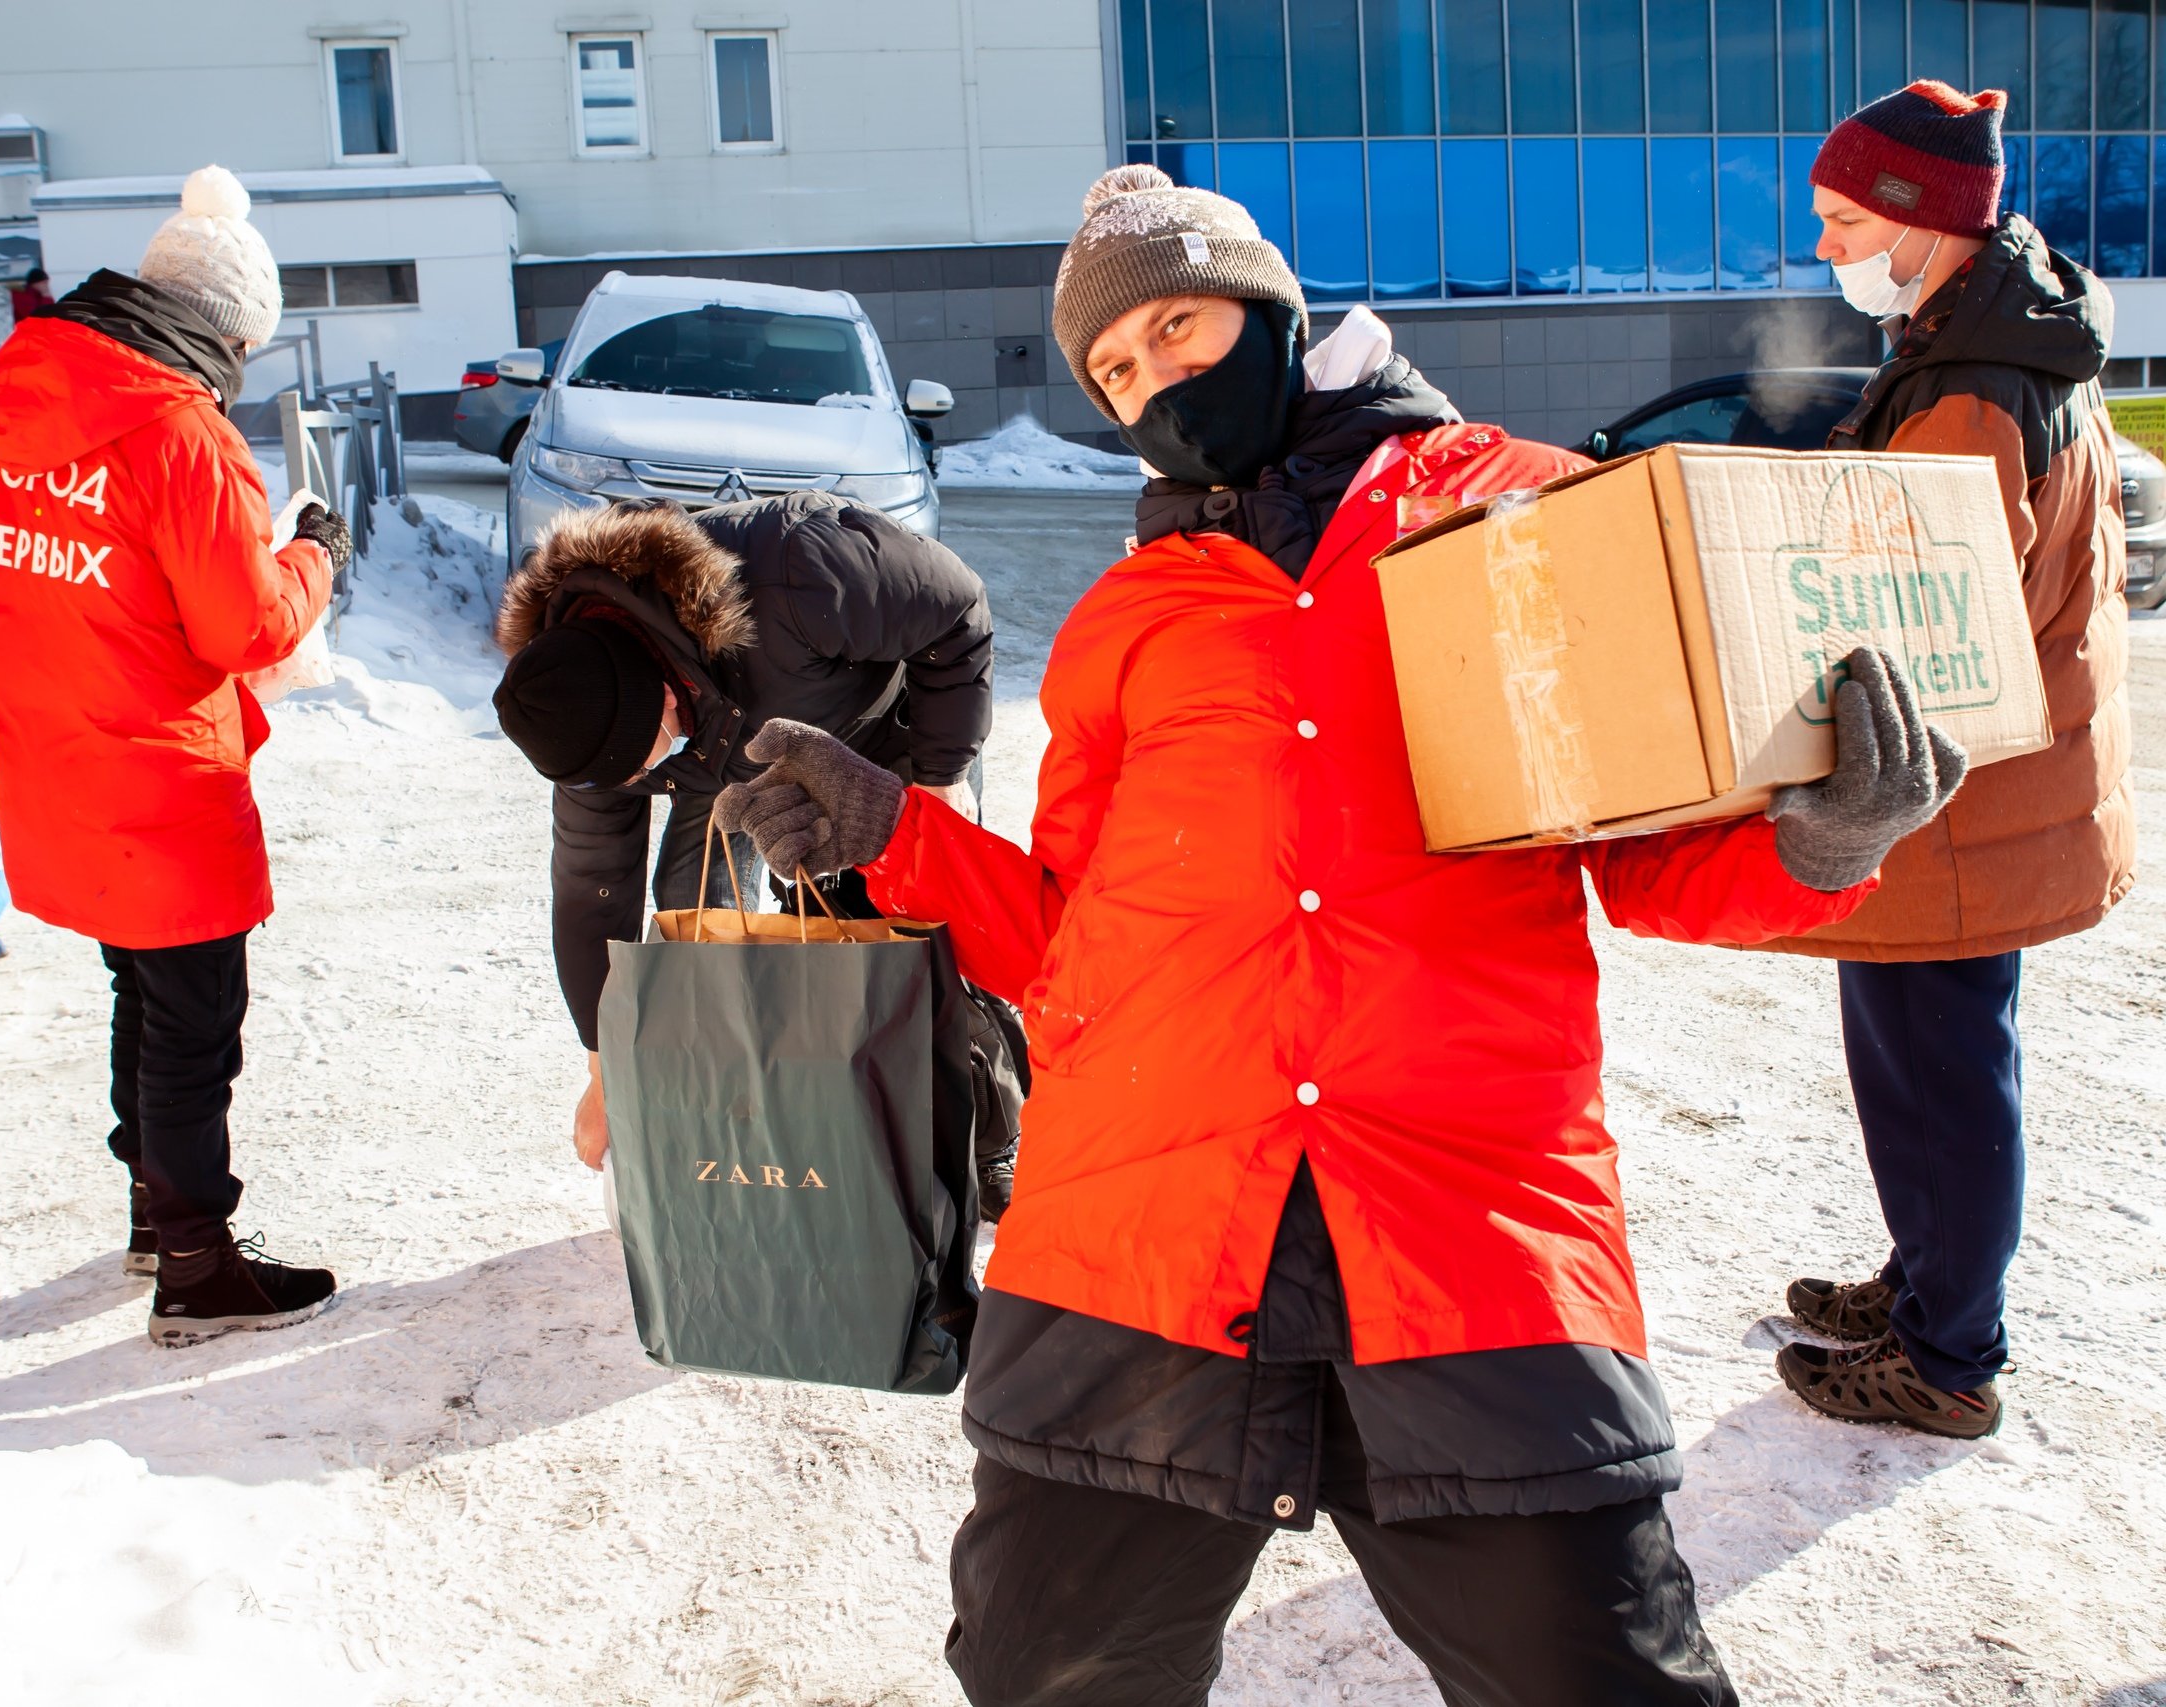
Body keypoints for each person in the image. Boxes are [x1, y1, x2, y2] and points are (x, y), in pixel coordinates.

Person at [714, 164, 1967, 1707]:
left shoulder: (1516, 508)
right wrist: (893, 832)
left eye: (1178, 327)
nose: (1155, 381)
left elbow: (1659, 863)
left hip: (1464, 1219)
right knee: (1048, 1668)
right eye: (1116, 370)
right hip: (1143, 1226)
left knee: (1607, 1673)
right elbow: (1066, 936)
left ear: (1271, 309)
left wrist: (1824, 838)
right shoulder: (1131, 615)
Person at [1762, 82, 2133, 1438]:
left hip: (1956, 796)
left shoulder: (1975, 388)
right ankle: (1930, 1281)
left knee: (1943, 1071)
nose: (1826, 247)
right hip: (1969, 789)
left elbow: (1918, 612)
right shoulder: (1986, 344)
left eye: (1847, 218)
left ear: (1928, 223)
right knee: (1919, 1061)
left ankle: (1949, 1354)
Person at [0, 166, 353, 1347]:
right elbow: (245, 625)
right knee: (194, 1017)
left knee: (138, 987)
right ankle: (195, 1265)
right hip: (156, 764)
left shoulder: (26, 388)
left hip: (58, 746)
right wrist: (314, 553)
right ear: (228, 328)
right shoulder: (181, 431)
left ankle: (155, 1208)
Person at [490, 494, 1004, 1198]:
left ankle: (983, 1141)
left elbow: (959, 611)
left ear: (664, 700)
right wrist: (603, 1065)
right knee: (700, 919)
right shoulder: (580, 711)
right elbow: (591, 890)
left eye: (640, 767)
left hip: (893, 736)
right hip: (737, 745)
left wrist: (943, 778)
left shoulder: (797, 575)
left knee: (917, 938)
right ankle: (758, 1130)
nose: (635, 785)